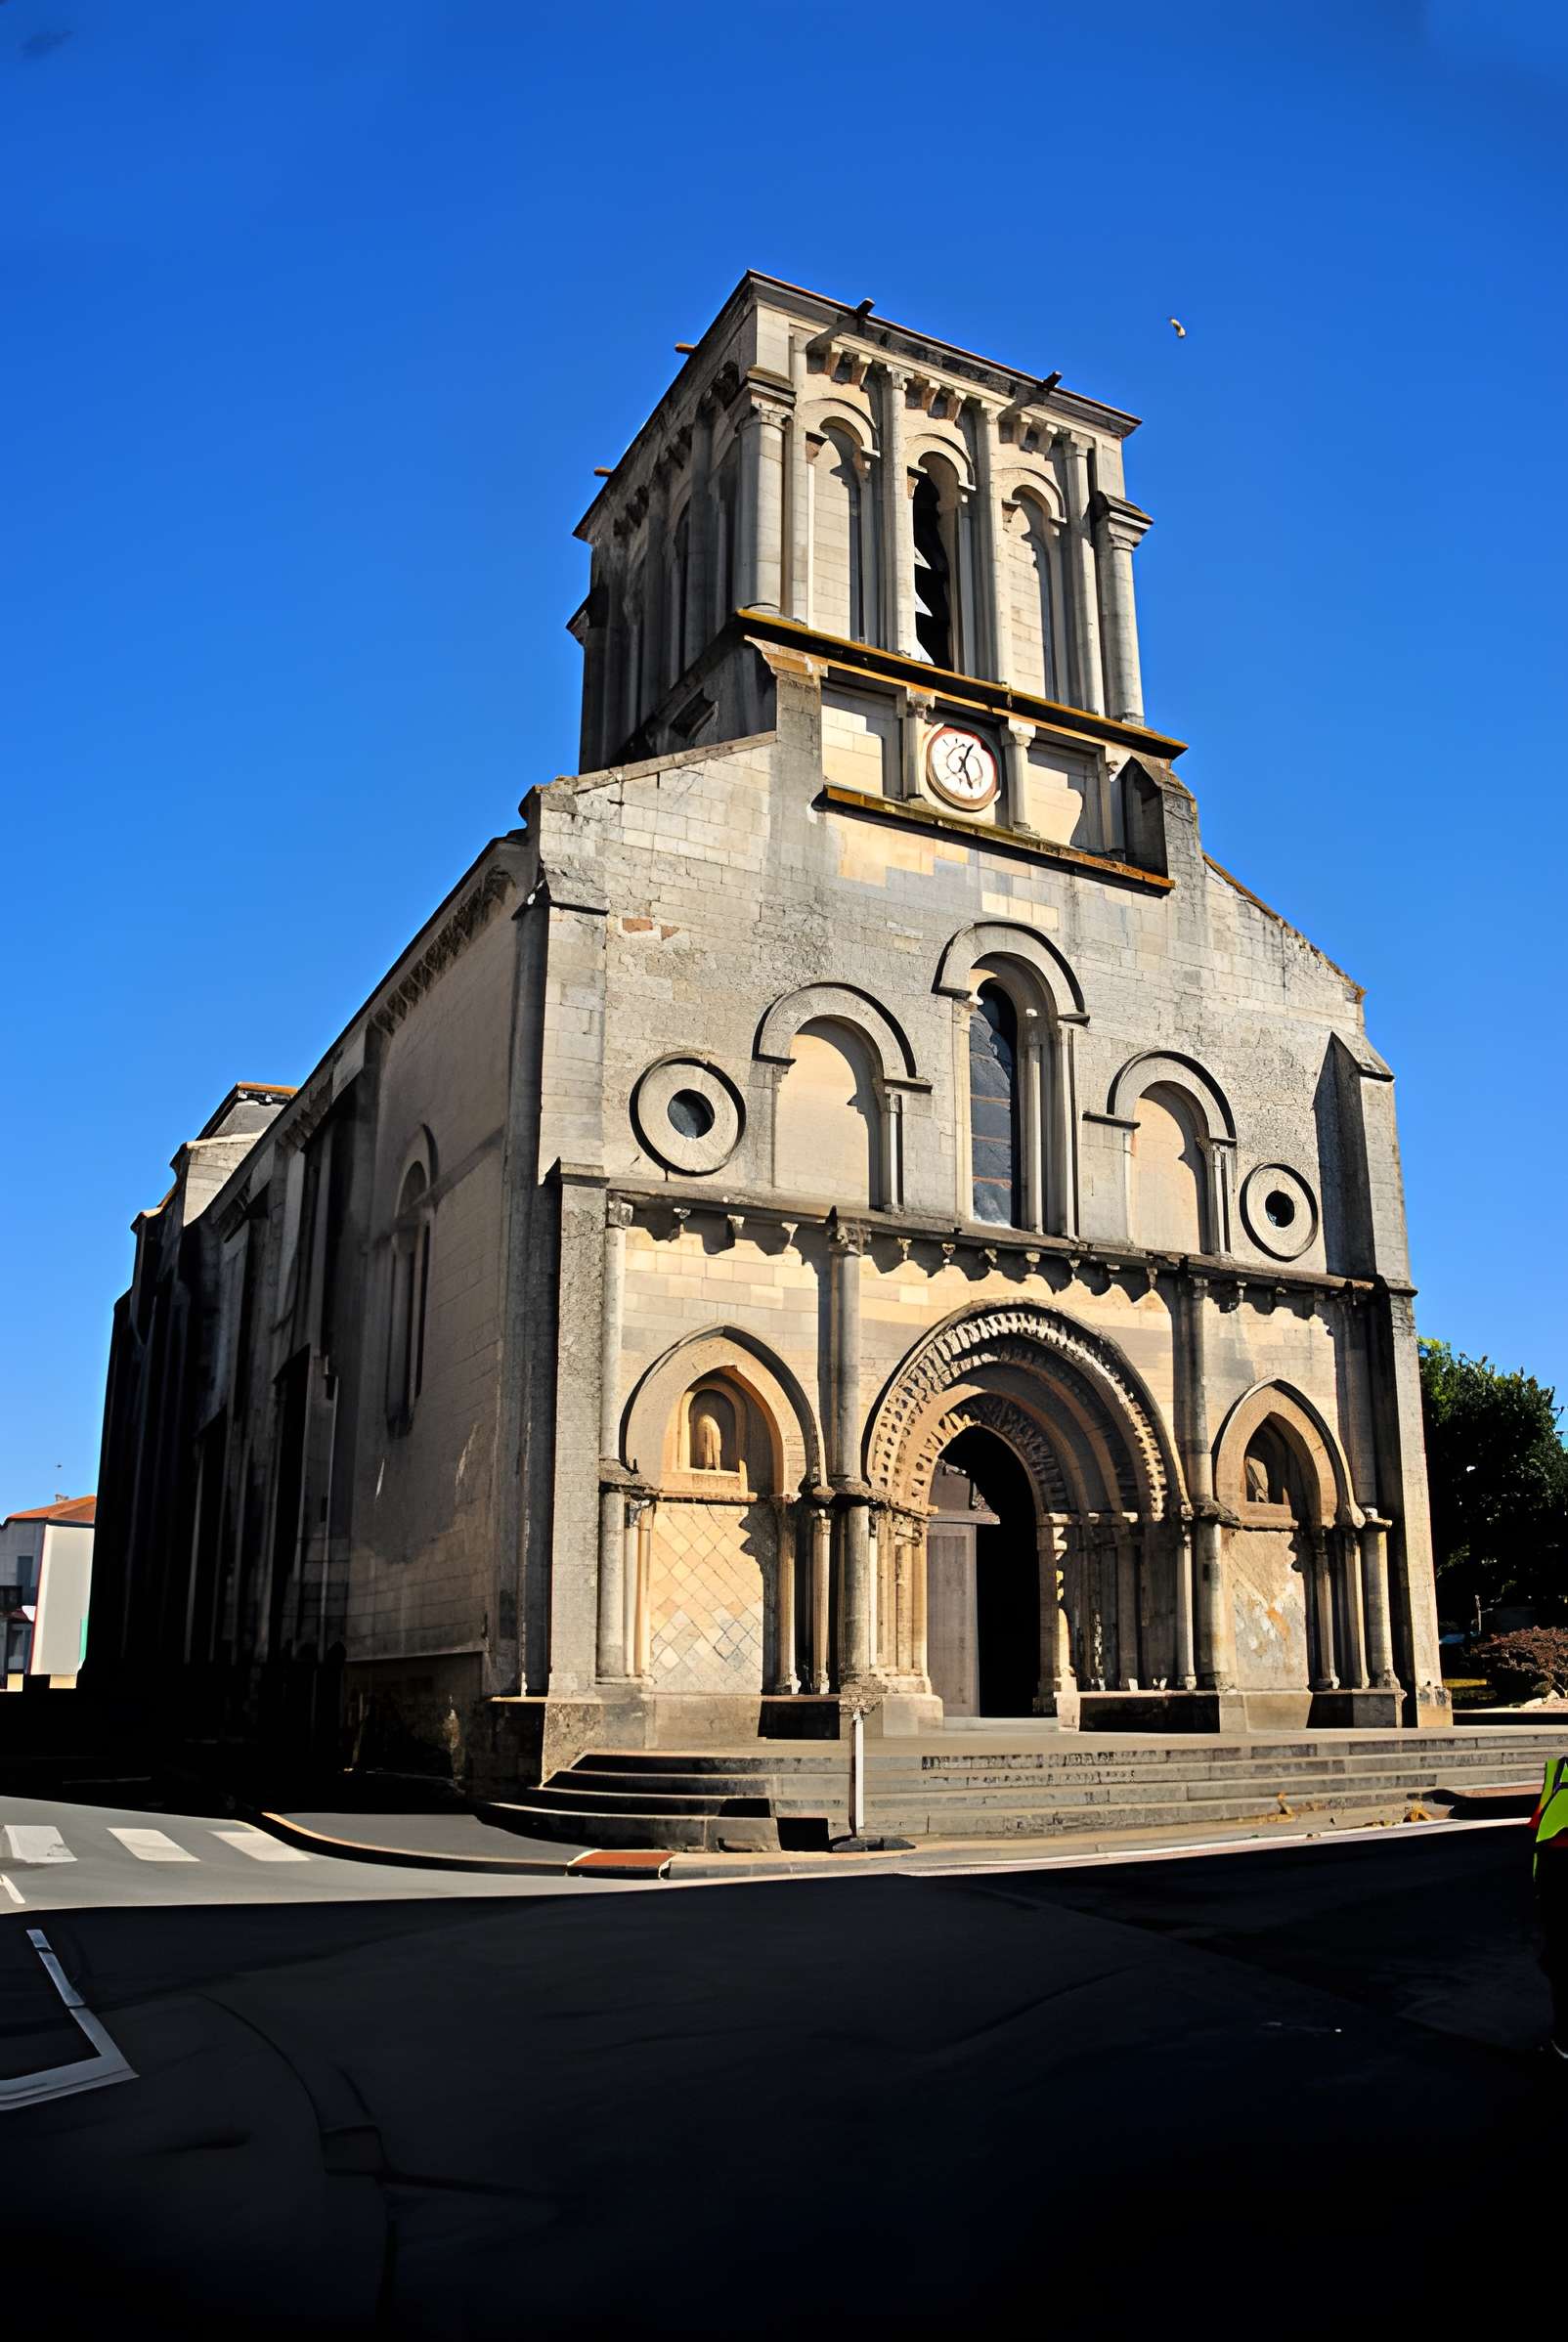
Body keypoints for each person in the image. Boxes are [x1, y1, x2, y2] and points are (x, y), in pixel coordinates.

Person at [1531, 1752, 1568, 2060]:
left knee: (1559, 1961)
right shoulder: (1557, 1772)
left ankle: (1563, 2043)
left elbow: (1540, 1827)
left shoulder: (1558, 1772)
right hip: (1554, 1873)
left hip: (1556, 1874)